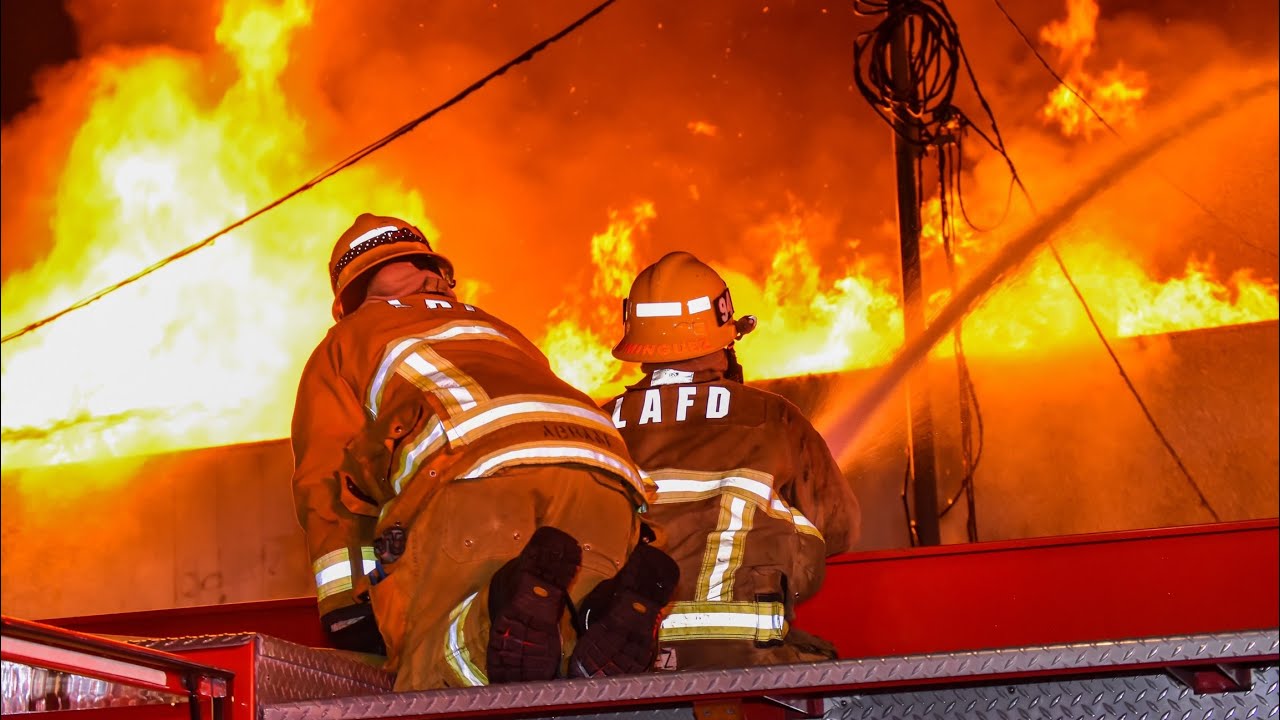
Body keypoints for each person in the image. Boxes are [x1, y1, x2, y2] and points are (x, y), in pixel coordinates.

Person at [290, 213, 678, 691]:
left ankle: (495, 612)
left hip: (478, 480)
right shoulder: (498, 329)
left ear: (348, 295)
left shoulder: (345, 341)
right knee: (560, 654)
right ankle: (602, 613)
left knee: (437, 667)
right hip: (608, 480)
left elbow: (329, 485)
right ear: (437, 272)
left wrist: (345, 606)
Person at [604, 251, 861, 671]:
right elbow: (839, 529)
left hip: (624, 659)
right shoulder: (771, 416)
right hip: (747, 658)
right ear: (724, 337)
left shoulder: (601, 427)